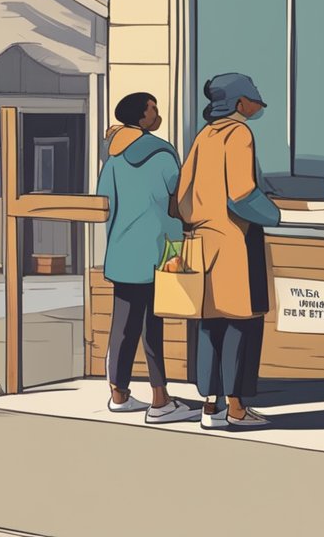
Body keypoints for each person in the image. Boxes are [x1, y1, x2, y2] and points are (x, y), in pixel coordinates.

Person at [178, 73, 280, 429]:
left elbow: (182, 198)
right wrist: (274, 214)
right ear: (240, 104)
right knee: (242, 326)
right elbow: (241, 194)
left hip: (205, 243)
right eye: (254, 99)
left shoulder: (204, 136)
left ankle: (210, 406)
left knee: (211, 325)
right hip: (237, 242)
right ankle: (236, 408)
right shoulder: (239, 134)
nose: (258, 105)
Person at [95, 92, 195, 424]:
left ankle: (118, 394)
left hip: (123, 253)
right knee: (154, 327)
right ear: (141, 118)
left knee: (122, 327)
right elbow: (180, 200)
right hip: (159, 253)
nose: (157, 114)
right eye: (153, 109)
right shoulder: (163, 154)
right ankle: (160, 399)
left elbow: (103, 202)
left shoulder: (113, 158)